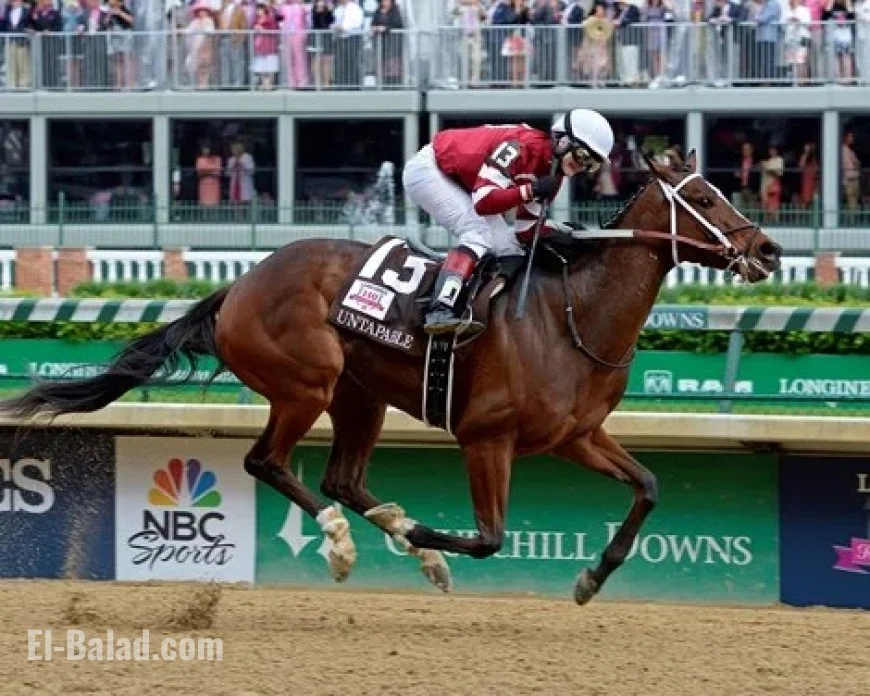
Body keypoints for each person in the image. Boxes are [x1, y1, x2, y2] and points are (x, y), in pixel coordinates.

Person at [403, 108, 614, 335]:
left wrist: (569, 236)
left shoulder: (553, 175)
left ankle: (484, 312)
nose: (582, 167)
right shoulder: (518, 146)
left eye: (591, 164)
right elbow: (483, 201)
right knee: (479, 233)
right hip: (431, 169)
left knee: (511, 249)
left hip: (463, 181)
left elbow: (525, 231)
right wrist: (531, 190)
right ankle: (440, 308)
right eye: (583, 156)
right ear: (563, 142)